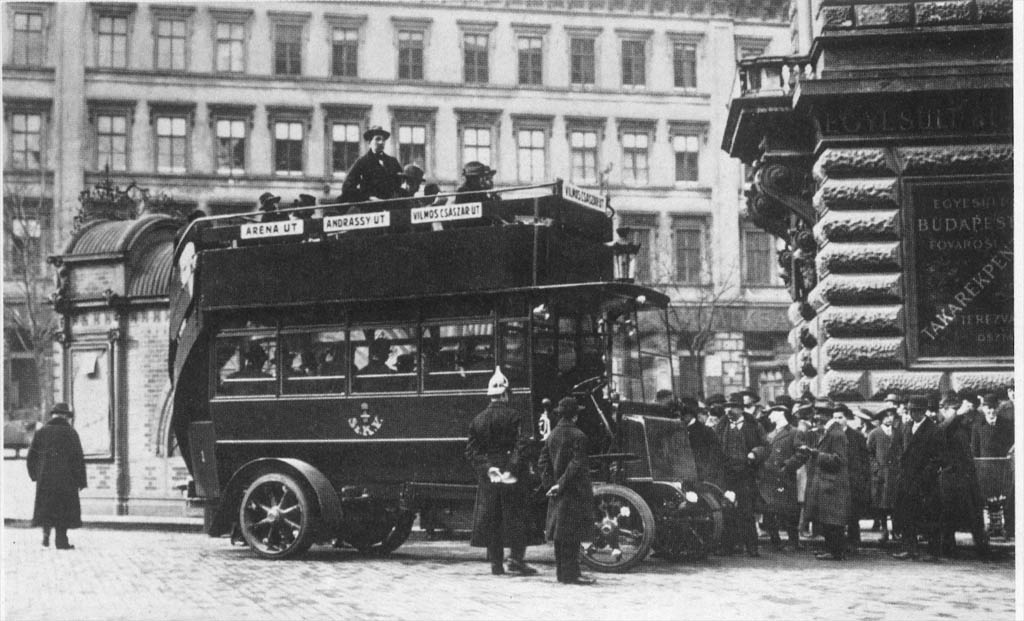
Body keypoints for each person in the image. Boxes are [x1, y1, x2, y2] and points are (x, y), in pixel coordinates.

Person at [465, 367, 537, 576]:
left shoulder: (477, 420)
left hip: (490, 477)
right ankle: (516, 559)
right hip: (512, 475)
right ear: (505, 394)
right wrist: (511, 469)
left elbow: (471, 451)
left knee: (492, 518)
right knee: (517, 517)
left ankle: (496, 564)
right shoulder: (515, 416)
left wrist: (489, 469)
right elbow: (521, 445)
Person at [538, 396, 596, 585]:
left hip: (557, 493)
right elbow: (576, 464)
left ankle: (562, 574)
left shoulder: (552, 435)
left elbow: (543, 463)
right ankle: (572, 575)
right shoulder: (579, 436)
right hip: (574, 491)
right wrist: (561, 484)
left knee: (559, 535)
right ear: (575, 416)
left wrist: (550, 485)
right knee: (572, 534)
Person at [892, 395, 946, 561]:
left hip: (925, 482)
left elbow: (938, 458)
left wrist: (924, 476)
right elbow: (898, 449)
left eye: (916, 411)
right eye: (911, 411)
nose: (913, 414)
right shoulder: (906, 427)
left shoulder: (934, 430)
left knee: (930, 516)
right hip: (907, 479)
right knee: (907, 514)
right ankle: (910, 548)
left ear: (924, 411)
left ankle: (934, 552)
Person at [27, 402, 87, 550]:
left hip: (45, 479)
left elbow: (31, 457)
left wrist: (35, 475)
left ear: (53, 415)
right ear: (65, 416)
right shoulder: (71, 433)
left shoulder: (41, 432)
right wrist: (81, 480)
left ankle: (46, 535)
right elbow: (78, 459)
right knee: (63, 509)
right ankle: (61, 541)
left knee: (47, 507)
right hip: (66, 480)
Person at [936, 394, 989, 557]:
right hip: (949, 477)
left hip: (965, 477)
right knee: (947, 515)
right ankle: (947, 548)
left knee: (974, 514)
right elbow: (942, 430)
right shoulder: (941, 425)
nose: (958, 412)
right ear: (944, 409)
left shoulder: (961, 425)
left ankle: (981, 547)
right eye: (953, 408)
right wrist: (958, 414)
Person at [714, 393, 766, 557]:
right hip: (726, 473)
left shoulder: (753, 425)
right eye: (727, 407)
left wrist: (754, 454)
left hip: (746, 473)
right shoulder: (721, 426)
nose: (729, 410)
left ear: (741, 409)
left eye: (733, 407)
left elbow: (765, 445)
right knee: (726, 509)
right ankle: (728, 546)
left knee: (746, 511)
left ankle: (752, 547)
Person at [800, 407, 851, 561]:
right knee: (829, 520)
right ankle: (831, 549)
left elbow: (839, 460)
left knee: (834, 521)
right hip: (828, 483)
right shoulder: (831, 432)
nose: (815, 419)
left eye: (818, 416)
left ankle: (835, 552)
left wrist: (816, 454)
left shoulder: (835, 434)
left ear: (824, 416)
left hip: (833, 483)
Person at [754, 403, 805, 551]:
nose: (769, 416)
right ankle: (775, 540)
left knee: (788, 512)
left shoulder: (795, 432)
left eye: (772, 413)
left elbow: (802, 453)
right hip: (768, 478)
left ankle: (793, 542)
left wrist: (788, 465)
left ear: (781, 414)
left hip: (784, 478)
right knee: (769, 511)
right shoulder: (769, 434)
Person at [972, 392, 1014, 538]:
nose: (991, 411)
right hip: (985, 470)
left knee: (1002, 498)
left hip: (1002, 469)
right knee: (987, 499)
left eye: (993, 408)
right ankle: (990, 527)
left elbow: (1011, 446)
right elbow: (975, 451)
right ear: (983, 409)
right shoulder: (978, 426)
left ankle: (1002, 528)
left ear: (998, 408)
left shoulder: (1007, 425)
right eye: (988, 408)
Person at [340, 125, 403, 205]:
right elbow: (347, 187)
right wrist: (368, 198)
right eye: (377, 139)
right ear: (369, 142)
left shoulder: (393, 161)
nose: (381, 142)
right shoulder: (362, 162)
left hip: (391, 206)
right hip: (371, 208)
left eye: (383, 140)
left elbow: (401, 182)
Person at [838, 404, 870, 550]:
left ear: (847, 419)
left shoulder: (857, 437)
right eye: (834, 418)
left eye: (840, 417)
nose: (837, 421)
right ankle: (838, 543)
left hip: (853, 480)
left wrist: (862, 480)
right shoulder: (831, 435)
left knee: (852, 514)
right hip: (837, 480)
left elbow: (864, 460)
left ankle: (853, 541)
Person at [866, 405, 898, 544]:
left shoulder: (898, 432)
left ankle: (896, 531)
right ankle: (884, 531)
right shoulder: (874, 433)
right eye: (886, 416)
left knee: (895, 504)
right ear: (880, 419)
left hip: (895, 474)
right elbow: (869, 453)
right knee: (882, 505)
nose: (889, 419)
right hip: (881, 475)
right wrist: (875, 468)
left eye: (891, 416)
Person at [679, 397, 724, 489]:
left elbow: (715, 456)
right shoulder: (677, 431)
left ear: (690, 415)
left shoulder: (705, 432)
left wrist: (706, 475)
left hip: (702, 479)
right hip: (682, 477)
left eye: (682, 416)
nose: (680, 418)